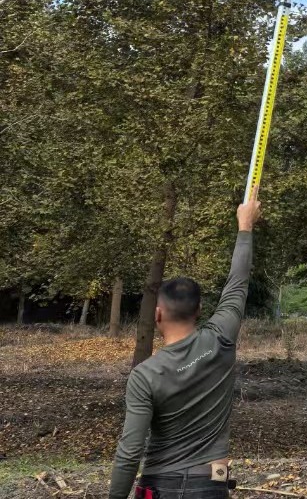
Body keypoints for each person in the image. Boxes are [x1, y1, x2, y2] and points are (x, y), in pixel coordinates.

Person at [108, 199, 262, 499]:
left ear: (157, 315)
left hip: (161, 486)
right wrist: (245, 226)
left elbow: (130, 452)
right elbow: (237, 283)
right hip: (212, 485)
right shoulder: (220, 339)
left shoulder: (145, 375)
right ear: (199, 309)